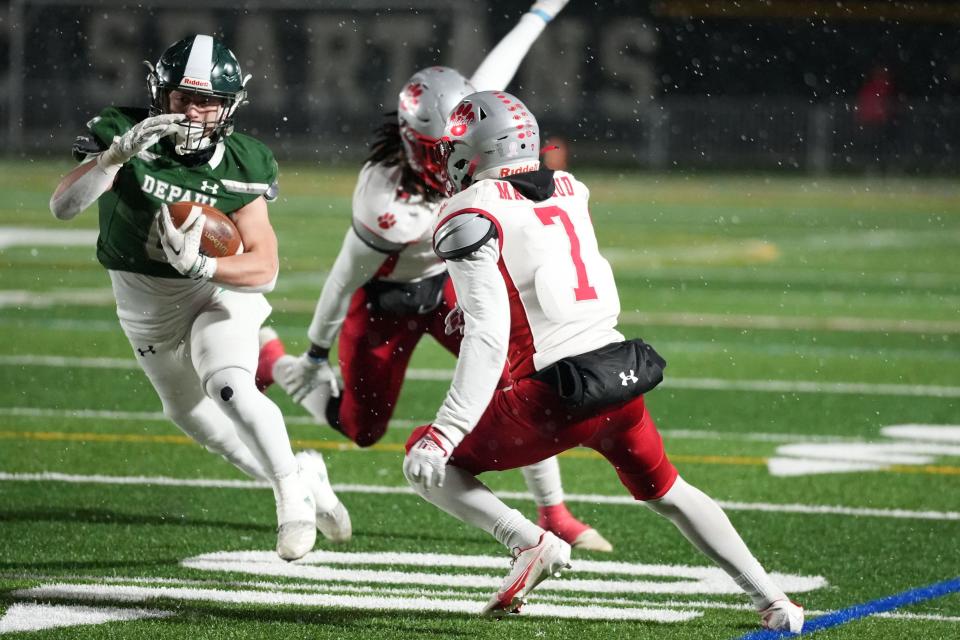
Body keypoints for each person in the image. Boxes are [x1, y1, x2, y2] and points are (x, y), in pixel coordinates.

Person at [400, 89, 805, 632]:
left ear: (481, 149)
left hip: (550, 398)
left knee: (425, 459)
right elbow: (542, 271)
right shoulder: (569, 187)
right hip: (617, 377)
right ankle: (775, 600)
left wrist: (445, 432)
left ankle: (529, 542)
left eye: (456, 147)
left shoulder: (468, 210)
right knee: (670, 491)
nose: (447, 159)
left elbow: (490, 338)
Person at [260, 0, 611, 552]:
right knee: (362, 429)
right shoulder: (386, 202)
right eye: (437, 148)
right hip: (387, 301)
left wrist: (541, 11)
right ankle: (273, 362)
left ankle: (554, 513)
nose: (451, 154)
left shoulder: (467, 116)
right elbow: (344, 276)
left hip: (446, 285)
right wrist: (313, 353)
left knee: (517, 378)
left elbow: (505, 58)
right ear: (412, 142)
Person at [48, 34, 350, 562]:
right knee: (193, 417)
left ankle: (291, 504)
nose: (192, 111)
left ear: (228, 107)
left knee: (229, 383)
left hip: (212, 292)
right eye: (181, 98)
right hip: (143, 306)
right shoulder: (122, 132)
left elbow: (265, 266)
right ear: (158, 95)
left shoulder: (244, 161)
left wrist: (205, 265)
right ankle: (305, 476)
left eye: (207, 101)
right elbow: (63, 207)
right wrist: (113, 160)